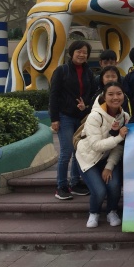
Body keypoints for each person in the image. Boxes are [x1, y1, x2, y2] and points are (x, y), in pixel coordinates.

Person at [75, 81, 128, 228]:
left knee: (114, 185)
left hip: (107, 158)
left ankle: (112, 211)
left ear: (123, 95)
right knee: (99, 191)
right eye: (111, 94)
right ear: (104, 96)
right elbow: (96, 145)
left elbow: (118, 147)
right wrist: (119, 137)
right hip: (88, 157)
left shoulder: (124, 117)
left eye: (119, 93)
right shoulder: (95, 116)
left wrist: (109, 166)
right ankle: (94, 213)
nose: (115, 97)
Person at [49, 41, 96, 200]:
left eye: (85, 52)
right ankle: (61, 186)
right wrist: (54, 118)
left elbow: (92, 93)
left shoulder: (89, 72)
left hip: (81, 117)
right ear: (72, 53)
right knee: (66, 151)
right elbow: (53, 95)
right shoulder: (62, 70)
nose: (82, 55)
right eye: (79, 51)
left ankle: (75, 183)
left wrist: (86, 105)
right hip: (65, 116)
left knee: (79, 151)